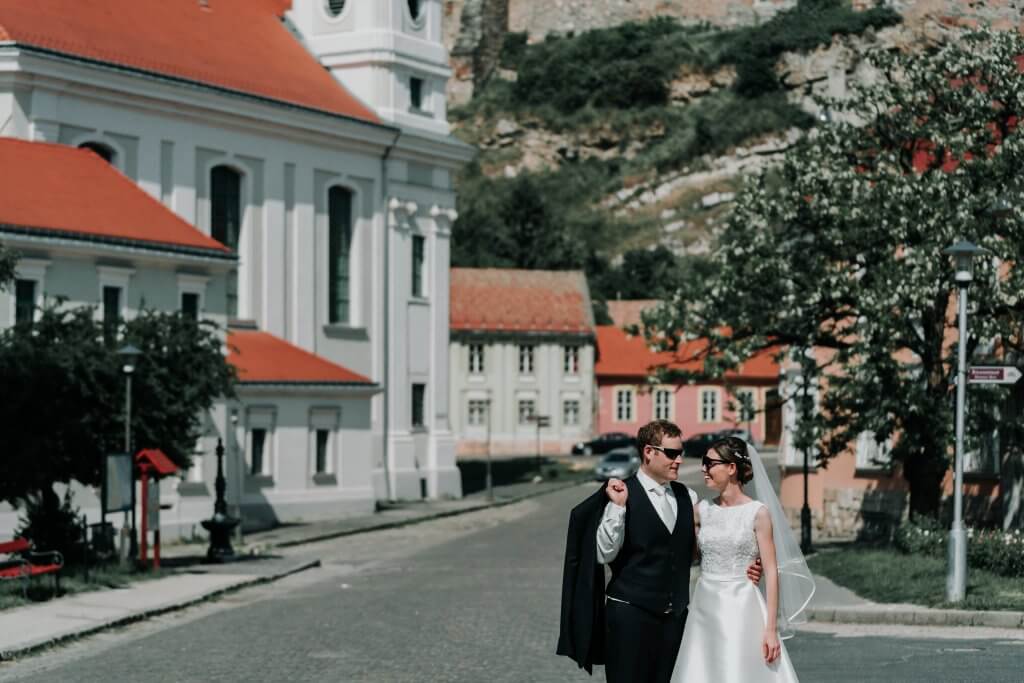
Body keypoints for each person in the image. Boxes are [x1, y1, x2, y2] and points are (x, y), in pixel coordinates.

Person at [557, 420, 761, 682]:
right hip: (630, 617)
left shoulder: (688, 497)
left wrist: (749, 566)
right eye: (672, 453)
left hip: (676, 622)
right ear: (648, 452)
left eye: (681, 453)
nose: (678, 460)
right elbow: (603, 553)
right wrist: (618, 508)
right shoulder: (621, 494)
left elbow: (708, 547)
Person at [670, 436, 815, 683]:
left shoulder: (757, 513)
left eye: (710, 462)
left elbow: (771, 572)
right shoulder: (701, 510)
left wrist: (771, 629)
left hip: (742, 606)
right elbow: (692, 554)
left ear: (732, 468)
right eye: (704, 462)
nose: (704, 468)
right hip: (705, 605)